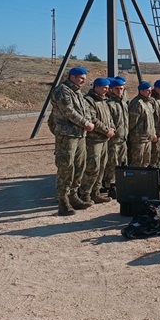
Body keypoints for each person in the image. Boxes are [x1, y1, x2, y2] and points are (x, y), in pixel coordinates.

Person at [49, 66, 95, 216]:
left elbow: (85, 110)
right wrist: (85, 123)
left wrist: (88, 121)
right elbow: (68, 111)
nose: (83, 81)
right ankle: (63, 202)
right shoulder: (62, 90)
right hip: (67, 136)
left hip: (80, 135)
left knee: (79, 166)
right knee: (66, 168)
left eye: (85, 79)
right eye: (81, 78)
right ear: (72, 77)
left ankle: (74, 197)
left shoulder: (77, 92)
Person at [78, 78, 115, 204]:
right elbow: (93, 119)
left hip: (104, 139)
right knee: (92, 167)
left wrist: (112, 128)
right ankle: (85, 194)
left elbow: (109, 118)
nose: (107, 89)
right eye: (104, 87)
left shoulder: (104, 101)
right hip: (94, 140)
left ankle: (96, 192)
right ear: (97, 87)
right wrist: (106, 130)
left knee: (101, 167)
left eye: (107, 87)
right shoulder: (89, 100)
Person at [104, 78, 129, 194]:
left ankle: (121, 182)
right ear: (111, 90)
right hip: (113, 140)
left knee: (123, 161)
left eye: (121, 89)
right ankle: (111, 185)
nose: (120, 91)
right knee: (112, 163)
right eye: (117, 89)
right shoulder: (109, 104)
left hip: (123, 138)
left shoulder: (123, 103)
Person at [128, 81, 156, 169]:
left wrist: (153, 133)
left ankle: (144, 179)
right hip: (139, 138)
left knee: (146, 161)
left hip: (148, 138)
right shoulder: (137, 103)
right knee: (137, 161)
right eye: (148, 91)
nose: (150, 92)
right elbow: (132, 122)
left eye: (150, 90)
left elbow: (151, 120)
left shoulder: (149, 102)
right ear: (141, 91)